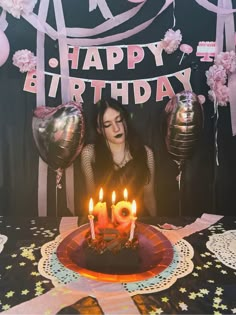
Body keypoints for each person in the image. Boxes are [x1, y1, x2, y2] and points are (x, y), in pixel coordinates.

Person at [81, 98, 156, 216]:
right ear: (99, 130)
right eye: (107, 125)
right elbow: (92, 198)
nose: (116, 128)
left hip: (138, 222)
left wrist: (154, 227)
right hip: (106, 224)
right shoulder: (89, 153)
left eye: (119, 120)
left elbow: (149, 197)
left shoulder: (146, 153)